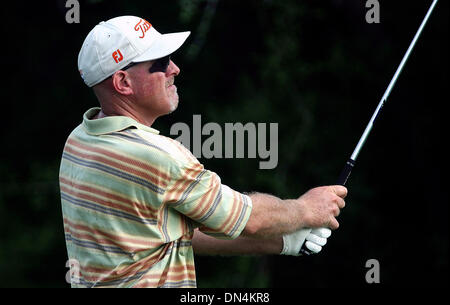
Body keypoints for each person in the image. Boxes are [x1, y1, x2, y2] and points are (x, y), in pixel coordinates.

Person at [60, 15, 347, 288]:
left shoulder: (80, 141)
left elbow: (175, 231)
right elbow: (249, 218)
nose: (174, 69)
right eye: (160, 63)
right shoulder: (158, 158)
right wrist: (306, 209)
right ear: (123, 82)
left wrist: (285, 241)